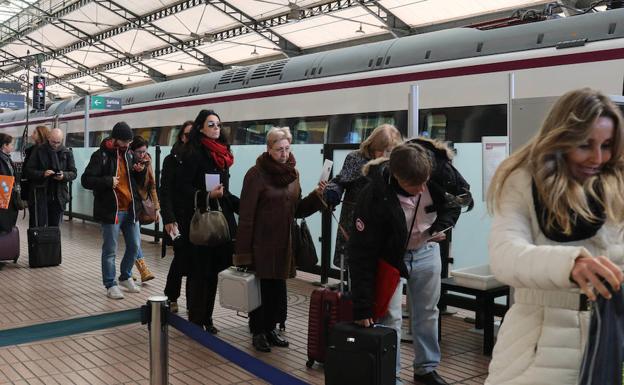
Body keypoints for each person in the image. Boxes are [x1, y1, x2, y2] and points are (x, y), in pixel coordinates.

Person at [485, 88, 624, 385]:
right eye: (585, 145)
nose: (598, 158)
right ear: (562, 138)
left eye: (607, 145)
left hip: (608, 339)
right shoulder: (523, 181)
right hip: (536, 347)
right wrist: (570, 264)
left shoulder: (617, 186)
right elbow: (505, 255)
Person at [350, 141, 461, 385]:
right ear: (397, 176)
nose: (422, 189)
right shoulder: (373, 196)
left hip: (427, 250)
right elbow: (360, 253)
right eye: (414, 185)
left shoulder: (439, 174)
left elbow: (456, 202)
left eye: (425, 181)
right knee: (391, 317)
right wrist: (362, 307)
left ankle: (426, 368)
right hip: (389, 257)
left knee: (428, 312)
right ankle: (392, 375)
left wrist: (442, 224)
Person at [234, 126, 326, 353]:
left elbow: (298, 209)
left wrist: (317, 196)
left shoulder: (293, 174)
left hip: (285, 243)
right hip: (261, 243)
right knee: (261, 289)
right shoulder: (255, 174)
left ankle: (271, 328)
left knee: (277, 289)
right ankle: (258, 331)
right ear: (268, 149)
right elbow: (246, 216)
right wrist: (243, 253)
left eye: (287, 148)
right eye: (278, 150)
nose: (284, 154)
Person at [166, 110, 238, 332]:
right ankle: (197, 320)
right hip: (198, 222)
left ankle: (208, 317)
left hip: (218, 222)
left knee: (213, 272)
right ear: (200, 128)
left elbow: (225, 191)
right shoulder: (193, 154)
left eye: (218, 124)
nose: (216, 128)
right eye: (211, 124)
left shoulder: (223, 155)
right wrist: (206, 196)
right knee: (198, 273)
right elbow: (182, 188)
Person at [324, 123, 402, 269]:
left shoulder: (397, 163)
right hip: (355, 222)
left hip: (384, 225)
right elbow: (340, 181)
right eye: (380, 150)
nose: (384, 155)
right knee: (355, 270)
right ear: (371, 146)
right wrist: (333, 191)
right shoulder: (355, 158)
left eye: (389, 151)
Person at [81, 122, 143, 299]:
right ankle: (110, 284)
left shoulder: (129, 155)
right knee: (110, 250)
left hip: (130, 210)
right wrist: (107, 181)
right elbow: (86, 180)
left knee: (135, 245)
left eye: (129, 142)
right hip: (111, 211)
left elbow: (133, 182)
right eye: (124, 141)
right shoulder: (100, 156)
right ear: (115, 139)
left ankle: (125, 276)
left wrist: (139, 171)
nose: (127, 145)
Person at [161, 120, 193, 313]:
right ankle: (172, 296)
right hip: (177, 219)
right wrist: (168, 218)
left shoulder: (198, 159)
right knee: (181, 257)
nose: (189, 139)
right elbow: (165, 192)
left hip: (196, 220)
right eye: (187, 135)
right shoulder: (171, 160)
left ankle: (191, 303)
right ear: (181, 136)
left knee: (194, 262)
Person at [24, 128, 77, 227]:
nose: (56, 145)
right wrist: (43, 174)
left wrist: (63, 176)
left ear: (62, 140)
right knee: (38, 227)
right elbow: (28, 171)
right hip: (40, 195)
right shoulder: (39, 150)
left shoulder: (67, 152)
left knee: (54, 228)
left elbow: (73, 173)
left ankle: (52, 243)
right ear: (48, 138)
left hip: (59, 197)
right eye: (53, 142)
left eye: (58, 142)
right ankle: (37, 243)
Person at [128, 135, 158, 283]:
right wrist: (134, 172)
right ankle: (142, 269)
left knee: (133, 239)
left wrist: (157, 208)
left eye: (144, 151)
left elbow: (152, 185)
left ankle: (128, 270)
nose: (142, 155)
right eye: (139, 152)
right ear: (132, 151)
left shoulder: (147, 161)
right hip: (129, 205)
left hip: (142, 204)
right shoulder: (126, 161)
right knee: (134, 238)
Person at [22, 125, 50, 225]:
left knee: (38, 219)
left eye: (34, 132)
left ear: (41, 135)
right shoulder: (33, 150)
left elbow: (28, 170)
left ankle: (37, 239)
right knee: (36, 218)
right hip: (35, 189)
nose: (31, 134)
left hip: (39, 189)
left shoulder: (42, 150)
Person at [0, 133, 20, 233]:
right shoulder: (2, 159)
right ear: (4, 145)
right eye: (11, 144)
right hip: (3, 199)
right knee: (4, 228)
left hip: (9, 198)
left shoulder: (7, 158)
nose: (13, 146)